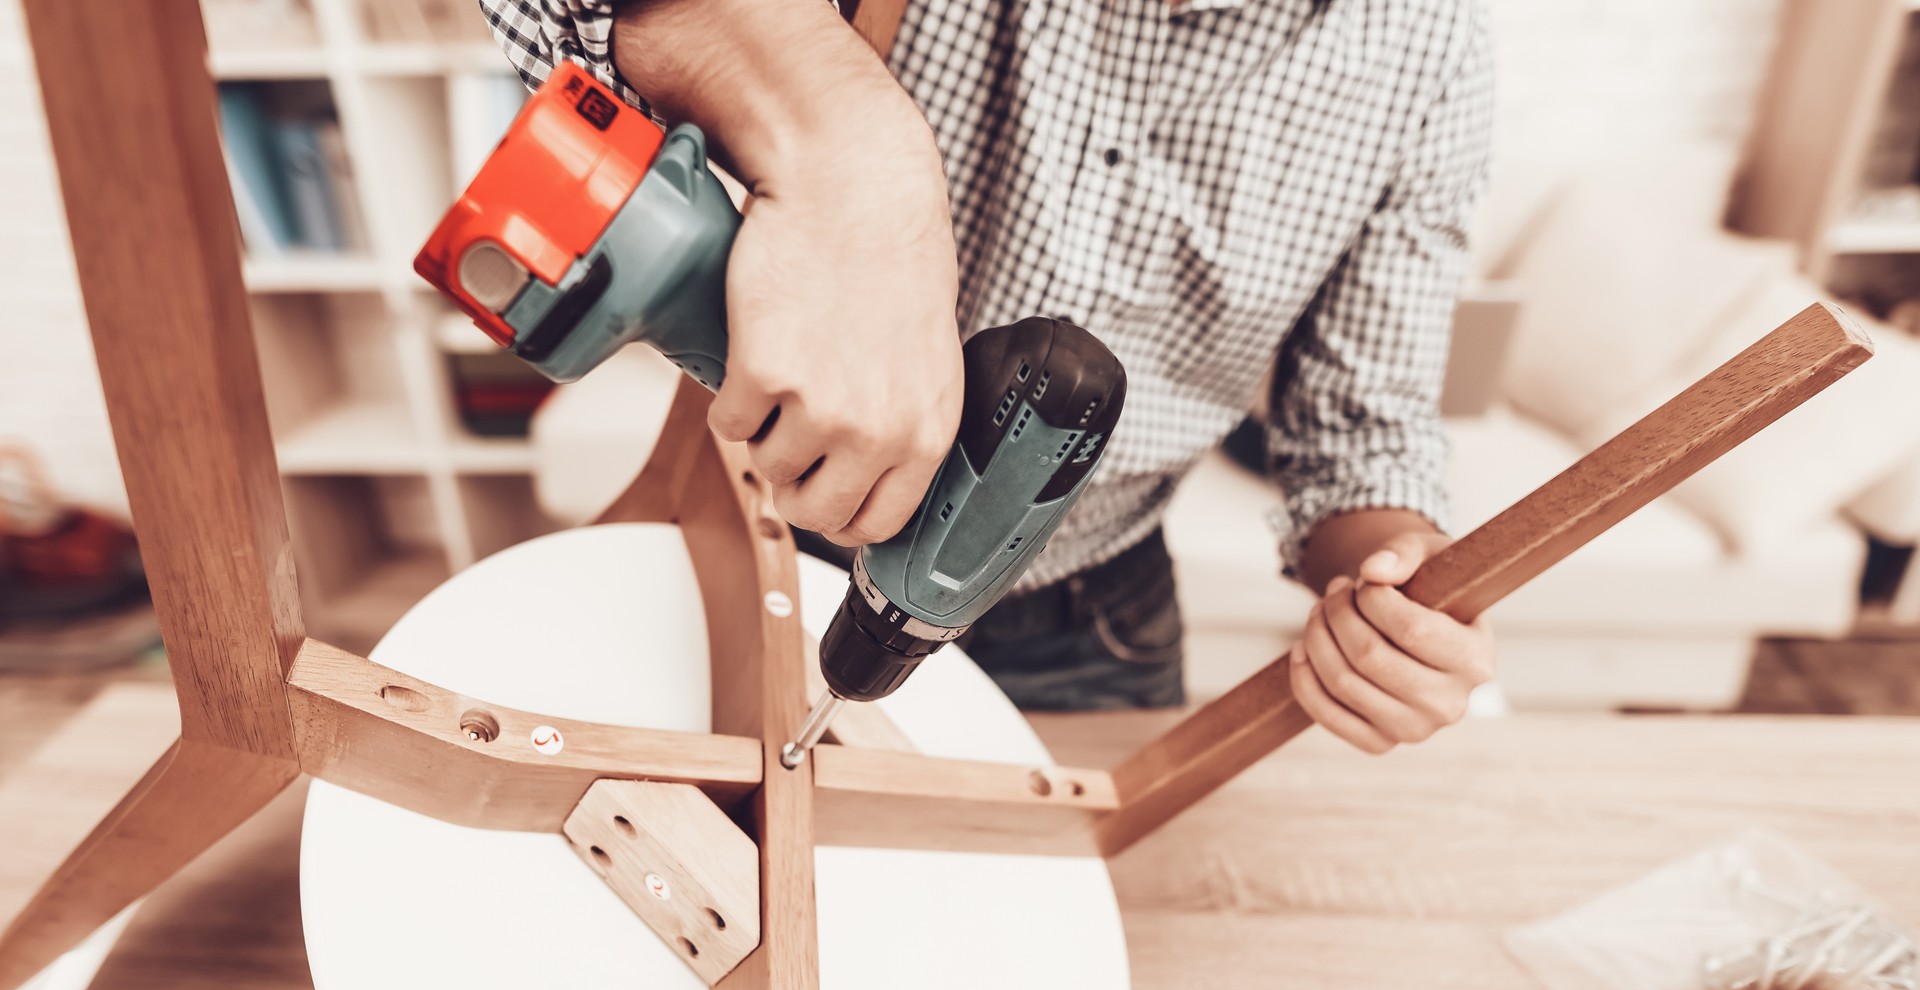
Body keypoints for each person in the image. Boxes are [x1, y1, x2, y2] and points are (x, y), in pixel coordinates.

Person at [479, 0, 1497, 753]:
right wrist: (850, 147)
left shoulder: (1430, 52)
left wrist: (1399, 592)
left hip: (1092, 625)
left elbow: (1364, 439)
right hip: (758, 537)